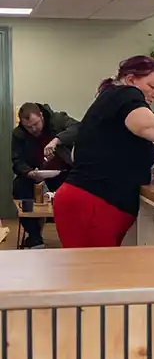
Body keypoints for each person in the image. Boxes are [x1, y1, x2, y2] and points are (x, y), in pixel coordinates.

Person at [53, 56, 154, 248]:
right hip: (93, 204)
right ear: (130, 79)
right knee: (93, 274)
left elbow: (76, 154)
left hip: (88, 201)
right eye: (152, 86)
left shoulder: (110, 99)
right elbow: (146, 125)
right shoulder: (125, 94)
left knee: (93, 273)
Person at [12, 102, 79, 249]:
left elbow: (79, 128)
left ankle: (73, 234)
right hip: (35, 173)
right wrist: (28, 172)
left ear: (41, 116)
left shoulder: (58, 119)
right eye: (28, 127)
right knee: (19, 186)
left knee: (75, 189)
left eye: (36, 124)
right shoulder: (18, 134)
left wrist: (57, 140)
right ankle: (34, 237)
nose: (33, 129)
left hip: (63, 171)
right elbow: (17, 161)